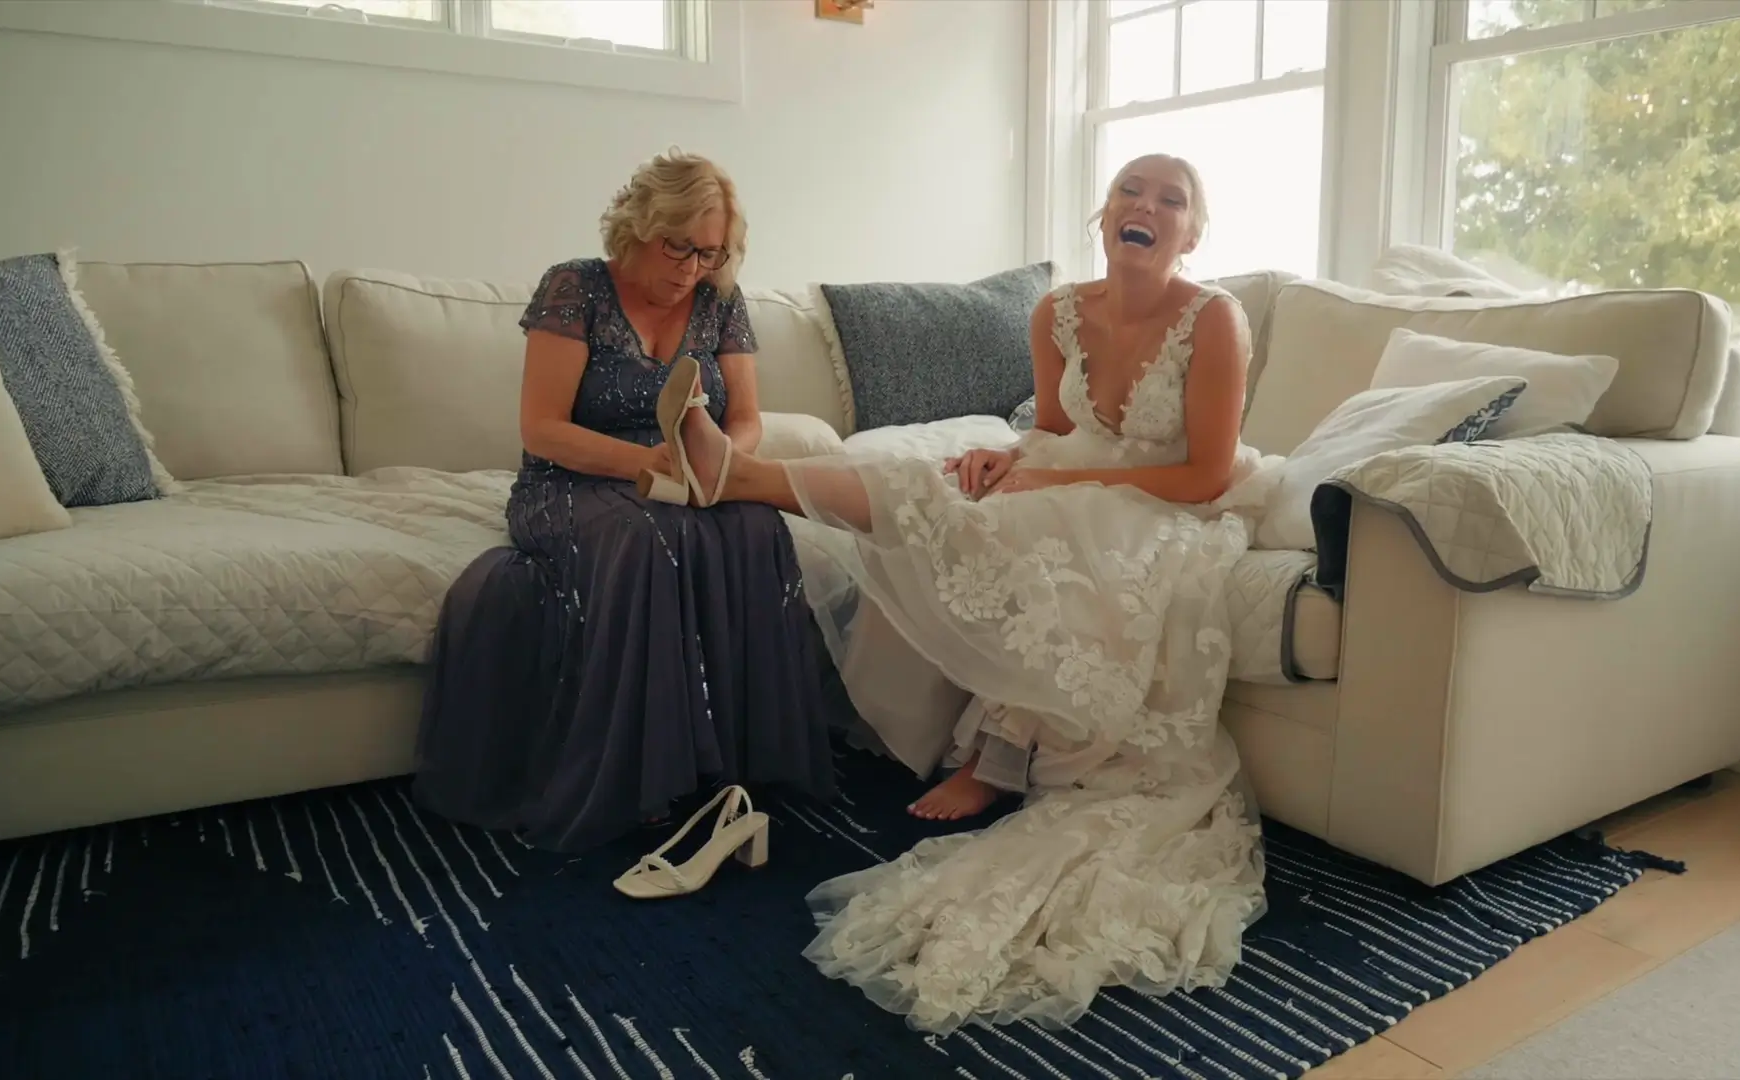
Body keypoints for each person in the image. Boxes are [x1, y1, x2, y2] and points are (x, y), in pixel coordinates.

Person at [644, 154, 1269, 1033]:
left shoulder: (1216, 320)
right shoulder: (1056, 311)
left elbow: (1205, 473)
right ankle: (741, 475)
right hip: (1080, 481)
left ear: (1191, 235)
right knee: (934, 488)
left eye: (1171, 200)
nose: (1146, 205)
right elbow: (1059, 432)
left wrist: (1053, 490)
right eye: (1131, 188)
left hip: (1174, 503)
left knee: (1037, 532)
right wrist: (1013, 460)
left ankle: (993, 756)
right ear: (1104, 213)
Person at [413, 150, 837, 852]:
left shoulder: (720, 301)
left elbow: (749, 417)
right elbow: (542, 428)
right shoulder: (576, 287)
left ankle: (736, 765)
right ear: (641, 225)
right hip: (574, 479)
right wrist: (645, 461)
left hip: (685, 471)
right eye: (679, 247)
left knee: (758, 525)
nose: (691, 269)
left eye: (709, 253)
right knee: (644, 539)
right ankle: (643, 781)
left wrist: (725, 462)